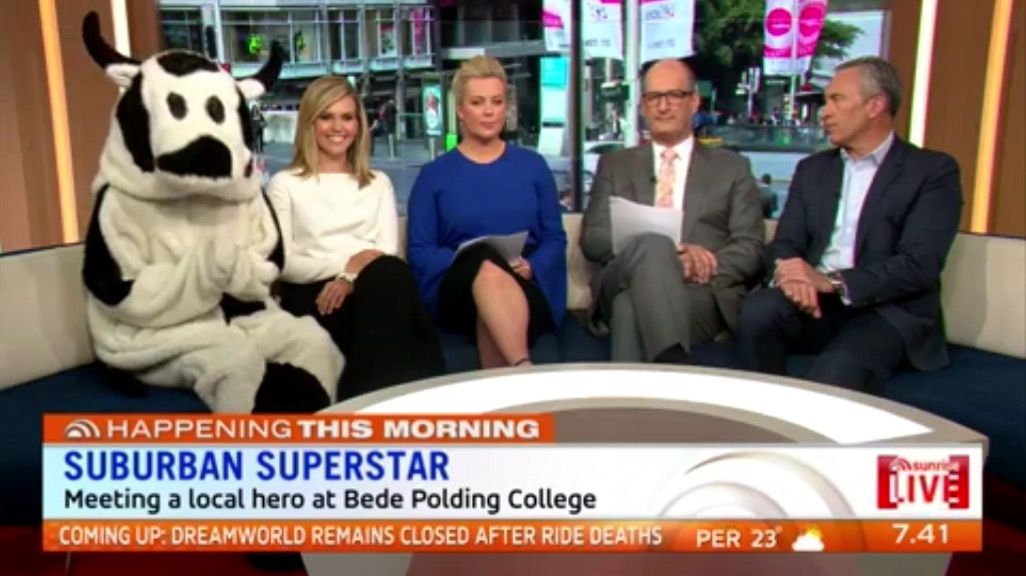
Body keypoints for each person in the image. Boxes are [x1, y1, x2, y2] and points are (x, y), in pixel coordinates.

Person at [735, 56, 963, 391]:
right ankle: (761, 410)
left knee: (840, 365)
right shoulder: (813, 169)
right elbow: (785, 243)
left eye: (836, 100)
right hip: (815, 303)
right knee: (757, 312)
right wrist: (790, 273)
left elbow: (919, 264)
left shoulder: (931, 172)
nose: (824, 112)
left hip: (887, 310)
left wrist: (834, 282)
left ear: (875, 105)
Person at [267, 76, 445, 400]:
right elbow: (284, 263)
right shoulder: (285, 184)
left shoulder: (378, 182)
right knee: (391, 292)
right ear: (310, 123)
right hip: (315, 294)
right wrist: (349, 264)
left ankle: (389, 403)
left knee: (390, 276)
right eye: (326, 117)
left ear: (359, 125)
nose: (338, 127)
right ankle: (403, 402)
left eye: (347, 117)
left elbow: (387, 251)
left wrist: (350, 277)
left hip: (373, 285)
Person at [579, 59, 765, 363]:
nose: (663, 106)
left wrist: (699, 266)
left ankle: (652, 382)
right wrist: (661, 254)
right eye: (654, 97)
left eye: (674, 96)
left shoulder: (732, 167)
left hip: (700, 291)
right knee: (654, 245)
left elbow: (750, 246)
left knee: (628, 309)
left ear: (694, 101)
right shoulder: (615, 164)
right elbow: (592, 239)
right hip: (622, 277)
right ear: (643, 106)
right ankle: (674, 366)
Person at [407, 55, 567, 369]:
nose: (489, 111)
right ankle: (522, 366)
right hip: (457, 289)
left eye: (497, 101)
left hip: (524, 283)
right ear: (460, 110)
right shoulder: (433, 176)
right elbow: (420, 250)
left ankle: (509, 378)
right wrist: (468, 263)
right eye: (478, 102)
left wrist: (532, 266)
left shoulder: (533, 167)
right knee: (483, 261)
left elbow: (554, 238)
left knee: (490, 284)